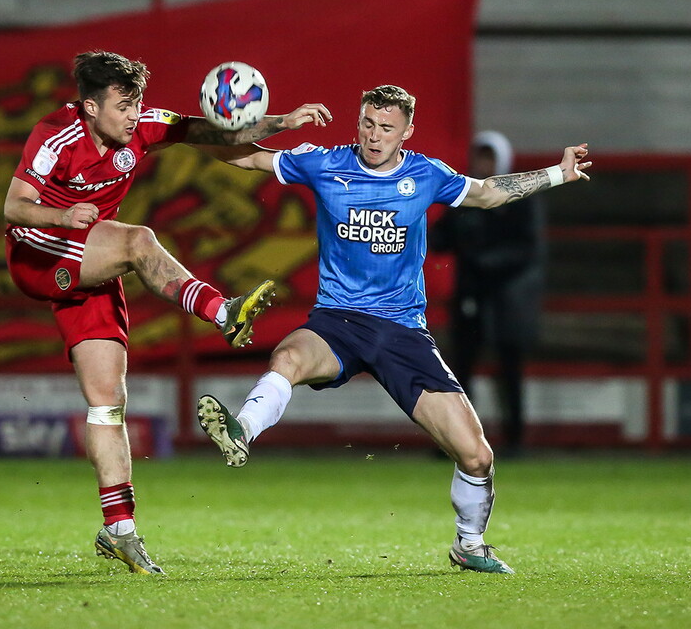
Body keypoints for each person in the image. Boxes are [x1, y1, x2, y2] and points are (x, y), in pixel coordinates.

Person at [195, 85, 590, 574]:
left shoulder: (425, 174)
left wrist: (558, 172)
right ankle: (243, 430)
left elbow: (487, 194)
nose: (374, 136)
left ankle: (469, 544)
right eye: (367, 124)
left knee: (478, 457)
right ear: (357, 123)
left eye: (386, 128)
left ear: (406, 132)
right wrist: (183, 132)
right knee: (289, 358)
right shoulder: (323, 162)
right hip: (338, 321)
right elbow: (244, 159)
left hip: (403, 332)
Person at [4, 50, 332, 575]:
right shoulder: (53, 135)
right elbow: (14, 206)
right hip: (39, 253)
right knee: (138, 240)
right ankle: (222, 311)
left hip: (90, 260)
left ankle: (120, 530)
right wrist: (64, 213)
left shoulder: (144, 127)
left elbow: (212, 131)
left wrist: (282, 121)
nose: (135, 114)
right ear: (89, 107)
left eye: (138, 103)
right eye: (124, 105)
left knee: (108, 402)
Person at [429, 131, 546, 458]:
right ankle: (457, 441)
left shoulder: (522, 197)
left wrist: (482, 259)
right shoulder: (464, 197)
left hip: (508, 299)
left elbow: (527, 248)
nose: (483, 164)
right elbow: (439, 238)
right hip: (471, 297)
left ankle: (514, 440)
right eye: (479, 157)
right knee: (460, 371)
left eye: (489, 157)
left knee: (509, 370)